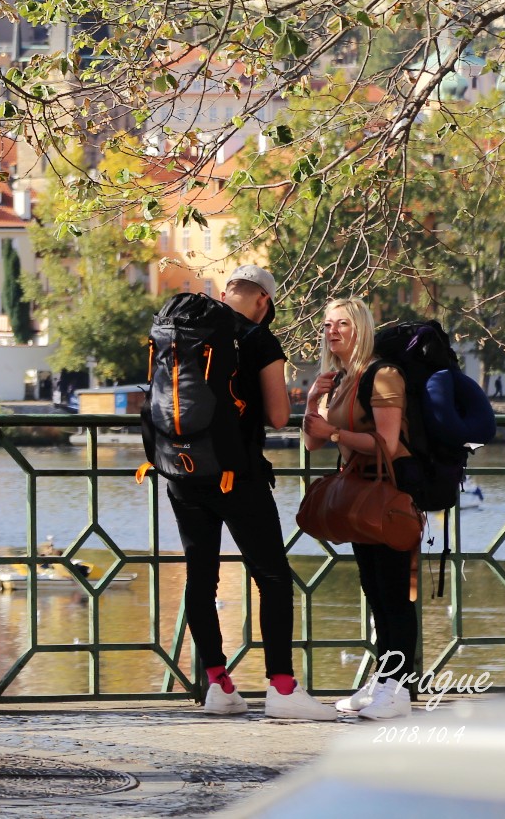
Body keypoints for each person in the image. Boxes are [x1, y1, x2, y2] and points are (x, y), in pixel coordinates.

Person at [172, 266, 338, 719]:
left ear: (226, 293)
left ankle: (219, 685)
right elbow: (280, 417)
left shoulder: (183, 328)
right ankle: (282, 689)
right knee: (272, 577)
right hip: (237, 477)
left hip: (182, 473)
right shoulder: (258, 339)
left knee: (200, 579)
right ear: (265, 302)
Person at [303, 296, 416, 721]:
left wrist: (335, 433)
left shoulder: (382, 376)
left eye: (342, 325)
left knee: (395, 595)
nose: (332, 331)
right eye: (328, 324)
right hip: (360, 495)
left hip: (389, 495)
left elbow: (386, 445)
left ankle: (399, 687)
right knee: (374, 590)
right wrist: (314, 400)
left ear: (361, 328)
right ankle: (384, 680)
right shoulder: (340, 378)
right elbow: (312, 441)